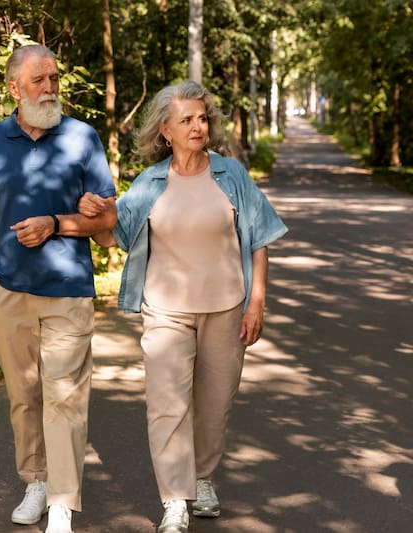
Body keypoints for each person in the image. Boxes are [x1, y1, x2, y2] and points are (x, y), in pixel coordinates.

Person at [79, 80, 287, 533]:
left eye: (202, 118)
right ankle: (175, 500)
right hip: (166, 311)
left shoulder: (231, 174)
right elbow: (110, 234)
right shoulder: (150, 182)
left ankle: (203, 476)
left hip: (227, 307)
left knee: (215, 406)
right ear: (165, 131)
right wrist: (91, 212)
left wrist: (257, 303)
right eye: (187, 120)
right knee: (167, 403)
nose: (198, 126)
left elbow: (261, 240)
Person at [0, 44, 117, 533]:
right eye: (39, 80)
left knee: (65, 396)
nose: (50, 88)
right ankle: (35, 480)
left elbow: (109, 221)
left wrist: (56, 223)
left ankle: (61, 504)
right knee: (24, 395)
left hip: (69, 289)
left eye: (54, 78)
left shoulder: (82, 138)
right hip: (7, 291)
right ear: (14, 89)